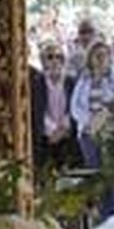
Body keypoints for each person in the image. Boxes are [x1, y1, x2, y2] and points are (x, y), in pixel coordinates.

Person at [71, 40, 114, 215]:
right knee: (97, 175)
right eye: (96, 55)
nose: (100, 59)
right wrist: (90, 121)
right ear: (90, 58)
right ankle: (105, 213)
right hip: (89, 133)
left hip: (111, 132)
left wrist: (105, 117)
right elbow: (75, 106)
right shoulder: (84, 78)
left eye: (103, 55)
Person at [30, 41, 77, 175]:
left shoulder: (71, 81)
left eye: (59, 57)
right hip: (46, 137)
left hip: (67, 135)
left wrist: (63, 128)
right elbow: (37, 110)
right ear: (43, 61)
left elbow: (73, 108)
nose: (55, 60)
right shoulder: (36, 83)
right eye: (50, 57)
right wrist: (52, 131)